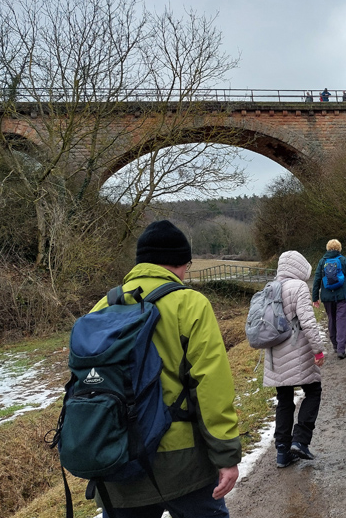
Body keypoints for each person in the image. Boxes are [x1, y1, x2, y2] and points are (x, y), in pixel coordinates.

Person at [88, 220, 241, 518]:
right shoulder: (190, 304)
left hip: (117, 461)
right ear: (180, 263)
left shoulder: (101, 308)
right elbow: (211, 386)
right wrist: (226, 456)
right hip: (182, 467)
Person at [264, 250, 326, 467]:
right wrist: (318, 350)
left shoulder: (270, 288)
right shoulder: (298, 287)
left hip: (274, 354)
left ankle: (282, 452)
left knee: (284, 399)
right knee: (313, 390)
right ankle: (300, 440)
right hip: (298, 351)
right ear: (300, 268)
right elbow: (308, 322)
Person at [311, 239, 346, 359]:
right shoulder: (343, 260)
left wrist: (315, 297)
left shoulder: (322, 262)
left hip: (327, 297)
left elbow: (316, 280)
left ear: (327, 248)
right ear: (339, 248)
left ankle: (335, 346)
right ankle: (341, 350)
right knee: (341, 321)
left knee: (332, 319)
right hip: (342, 297)